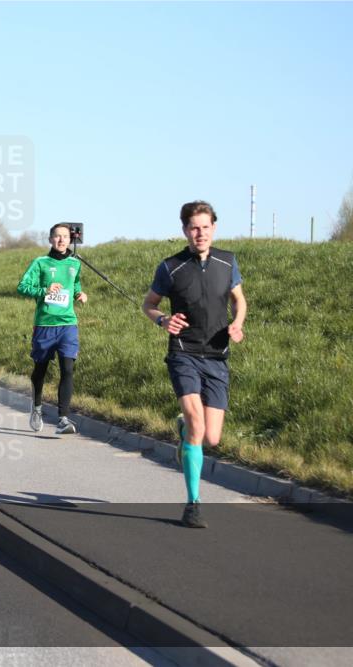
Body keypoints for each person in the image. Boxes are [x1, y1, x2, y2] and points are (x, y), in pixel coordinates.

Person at [142, 200, 247, 529]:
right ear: (185, 230)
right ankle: (193, 503)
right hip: (183, 353)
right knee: (198, 425)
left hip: (217, 356)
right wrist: (163, 321)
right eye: (193, 227)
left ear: (214, 227)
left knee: (211, 438)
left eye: (205, 227)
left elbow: (238, 299)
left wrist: (238, 323)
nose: (199, 233)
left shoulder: (227, 262)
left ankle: (185, 432)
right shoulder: (170, 267)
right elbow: (149, 304)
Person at [17, 223, 88, 435]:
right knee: (40, 370)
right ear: (50, 239)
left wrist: (79, 294)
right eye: (57, 236)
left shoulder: (75, 264)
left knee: (67, 369)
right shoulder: (40, 263)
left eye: (65, 237)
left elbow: (75, 285)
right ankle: (37, 407)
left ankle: (63, 419)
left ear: (70, 240)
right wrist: (44, 290)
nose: (61, 240)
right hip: (45, 325)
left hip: (68, 324)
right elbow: (22, 287)